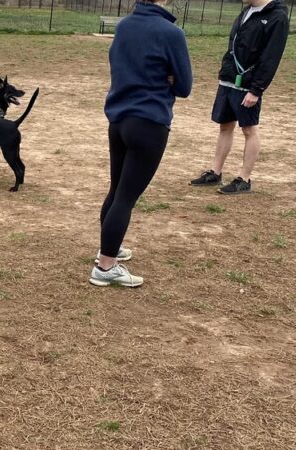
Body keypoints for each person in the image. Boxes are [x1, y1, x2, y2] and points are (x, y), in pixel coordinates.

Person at [90, 0, 192, 288]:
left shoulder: (124, 26)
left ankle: (108, 247)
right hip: (149, 123)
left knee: (116, 190)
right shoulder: (171, 33)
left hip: (118, 120)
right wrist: (166, 77)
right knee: (125, 198)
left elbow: (120, 66)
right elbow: (184, 87)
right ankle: (106, 266)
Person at [190, 0, 289, 194]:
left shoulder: (277, 17)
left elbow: (271, 57)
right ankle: (215, 172)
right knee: (225, 125)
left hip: (248, 84)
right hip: (228, 79)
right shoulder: (247, 11)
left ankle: (244, 179)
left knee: (249, 129)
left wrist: (256, 89)